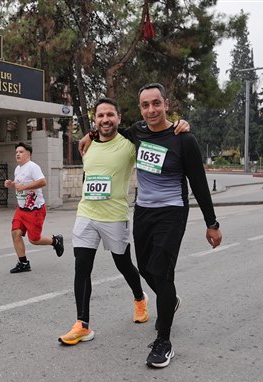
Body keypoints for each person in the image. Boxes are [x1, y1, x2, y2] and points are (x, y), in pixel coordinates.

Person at [59, 98, 190, 346]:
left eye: (110, 114)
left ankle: (140, 298)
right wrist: (90, 135)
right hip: (86, 214)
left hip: (115, 217)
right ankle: (82, 325)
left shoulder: (130, 145)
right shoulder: (88, 145)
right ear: (95, 120)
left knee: (124, 264)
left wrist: (180, 125)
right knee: (82, 267)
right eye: (100, 115)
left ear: (119, 118)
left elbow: (157, 132)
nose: (105, 119)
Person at [127, 83, 222, 368]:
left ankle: (163, 341)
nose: (151, 110)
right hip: (143, 210)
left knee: (161, 271)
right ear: (140, 109)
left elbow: (199, 183)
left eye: (156, 103)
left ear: (166, 104)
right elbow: (109, 131)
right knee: (145, 268)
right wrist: (89, 135)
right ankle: (170, 301)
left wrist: (212, 223)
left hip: (172, 212)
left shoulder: (184, 138)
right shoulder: (137, 132)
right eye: (145, 105)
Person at [4, 142, 64, 273]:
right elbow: (19, 186)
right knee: (15, 233)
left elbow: (42, 182)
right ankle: (23, 263)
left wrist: (24, 187)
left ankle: (55, 241)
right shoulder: (18, 169)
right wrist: (11, 184)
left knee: (34, 240)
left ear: (28, 154)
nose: (17, 154)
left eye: (21, 152)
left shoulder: (33, 167)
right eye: (16, 152)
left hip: (35, 210)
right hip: (21, 209)